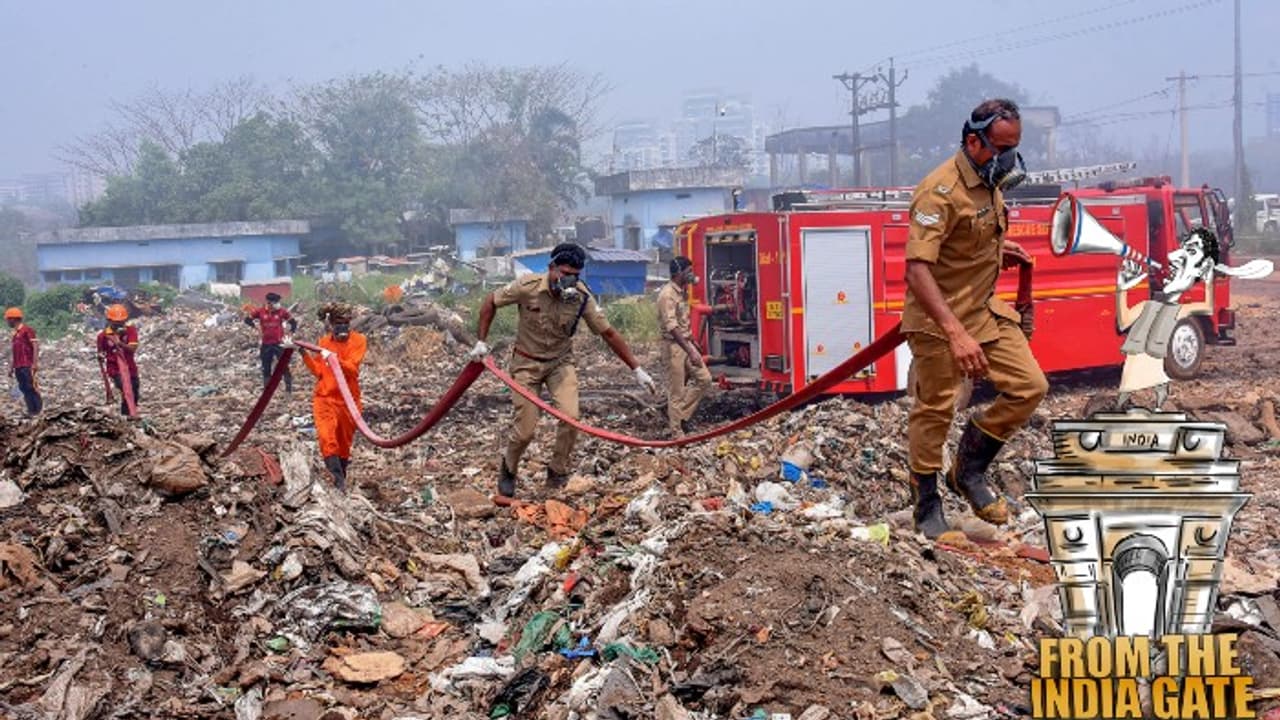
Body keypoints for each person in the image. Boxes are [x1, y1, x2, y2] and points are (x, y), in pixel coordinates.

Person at [901, 98, 1048, 539]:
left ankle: (968, 470)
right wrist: (955, 334)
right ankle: (926, 506)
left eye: (1014, 147)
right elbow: (918, 267)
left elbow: (965, 239)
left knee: (1030, 386)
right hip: (939, 321)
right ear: (973, 140)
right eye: (1000, 146)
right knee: (937, 409)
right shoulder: (939, 190)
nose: (1008, 158)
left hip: (983, 311)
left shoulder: (989, 182)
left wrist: (996, 251)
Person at [469, 243, 657, 497]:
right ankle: (509, 468)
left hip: (560, 363)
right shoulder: (528, 287)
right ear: (551, 268)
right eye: (563, 273)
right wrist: (481, 341)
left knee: (571, 417)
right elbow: (490, 302)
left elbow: (609, 333)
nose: (567, 280)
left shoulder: (582, 297)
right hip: (526, 363)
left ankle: (557, 470)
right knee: (525, 431)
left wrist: (636, 369)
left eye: (574, 276)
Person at [1115, 227, 1273, 409]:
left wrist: (1207, 280)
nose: (1173, 257)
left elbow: (1206, 306)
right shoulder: (1148, 308)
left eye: (1190, 252)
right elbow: (1123, 321)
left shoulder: (1177, 312)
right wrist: (1122, 288)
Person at [293, 303, 366, 491]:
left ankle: (341, 477)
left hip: (348, 400)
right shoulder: (324, 342)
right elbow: (319, 371)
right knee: (327, 437)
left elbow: (352, 369)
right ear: (331, 325)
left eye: (346, 323)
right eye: (338, 323)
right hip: (325, 398)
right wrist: (303, 353)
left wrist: (333, 358)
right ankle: (336, 481)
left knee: (343, 444)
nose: (342, 327)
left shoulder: (358, 341)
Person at [657, 256, 713, 437]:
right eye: (688, 271)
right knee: (677, 391)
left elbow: (682, 323)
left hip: (685, 343)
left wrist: (692, 343)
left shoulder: (682, 292)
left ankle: (681, 416)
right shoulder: (667, 295)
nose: (692, 275)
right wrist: (690, 350)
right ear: (679, 273)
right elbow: (672, 327)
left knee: (704, 379)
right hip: (674, 347)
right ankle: (676, 433)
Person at [245, 292, 298, 392]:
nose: (277, 305)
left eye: (278, 302)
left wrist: (291, 332)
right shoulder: (260, 312)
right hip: (266, 344)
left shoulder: (282, 311)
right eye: (275, 303)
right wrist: (255, 327)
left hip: (279, 344)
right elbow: (247, 320)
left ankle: (288, 388)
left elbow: (293, 322)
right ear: (269, 303)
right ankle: (267, 391)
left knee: (283, 366)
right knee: (266, 367)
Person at [96, 304, 141, 416]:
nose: (119, 324)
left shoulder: (130, 331)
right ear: (109, 320)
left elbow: (132, 348)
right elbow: (101, 351)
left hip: (130, 367)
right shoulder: (103, 336)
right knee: (125, 389)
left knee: (134, 389)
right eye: (116, 322)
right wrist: (100, 356)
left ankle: (131, 412)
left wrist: (120, 343)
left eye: (121, 321)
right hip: (115, 368)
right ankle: (126, 416)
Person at [6, 308, 42, 416]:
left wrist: (34, 364)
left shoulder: (27, 330)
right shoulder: (15, 334)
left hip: (27, 365)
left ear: (14, 319)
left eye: (8, 319)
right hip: (18, 366)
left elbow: (35, 346)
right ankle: (31, 411)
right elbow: (15, 352)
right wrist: (11, 368)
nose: (7, 322)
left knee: (31, 387)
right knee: (24, 388)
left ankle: (38, 410)